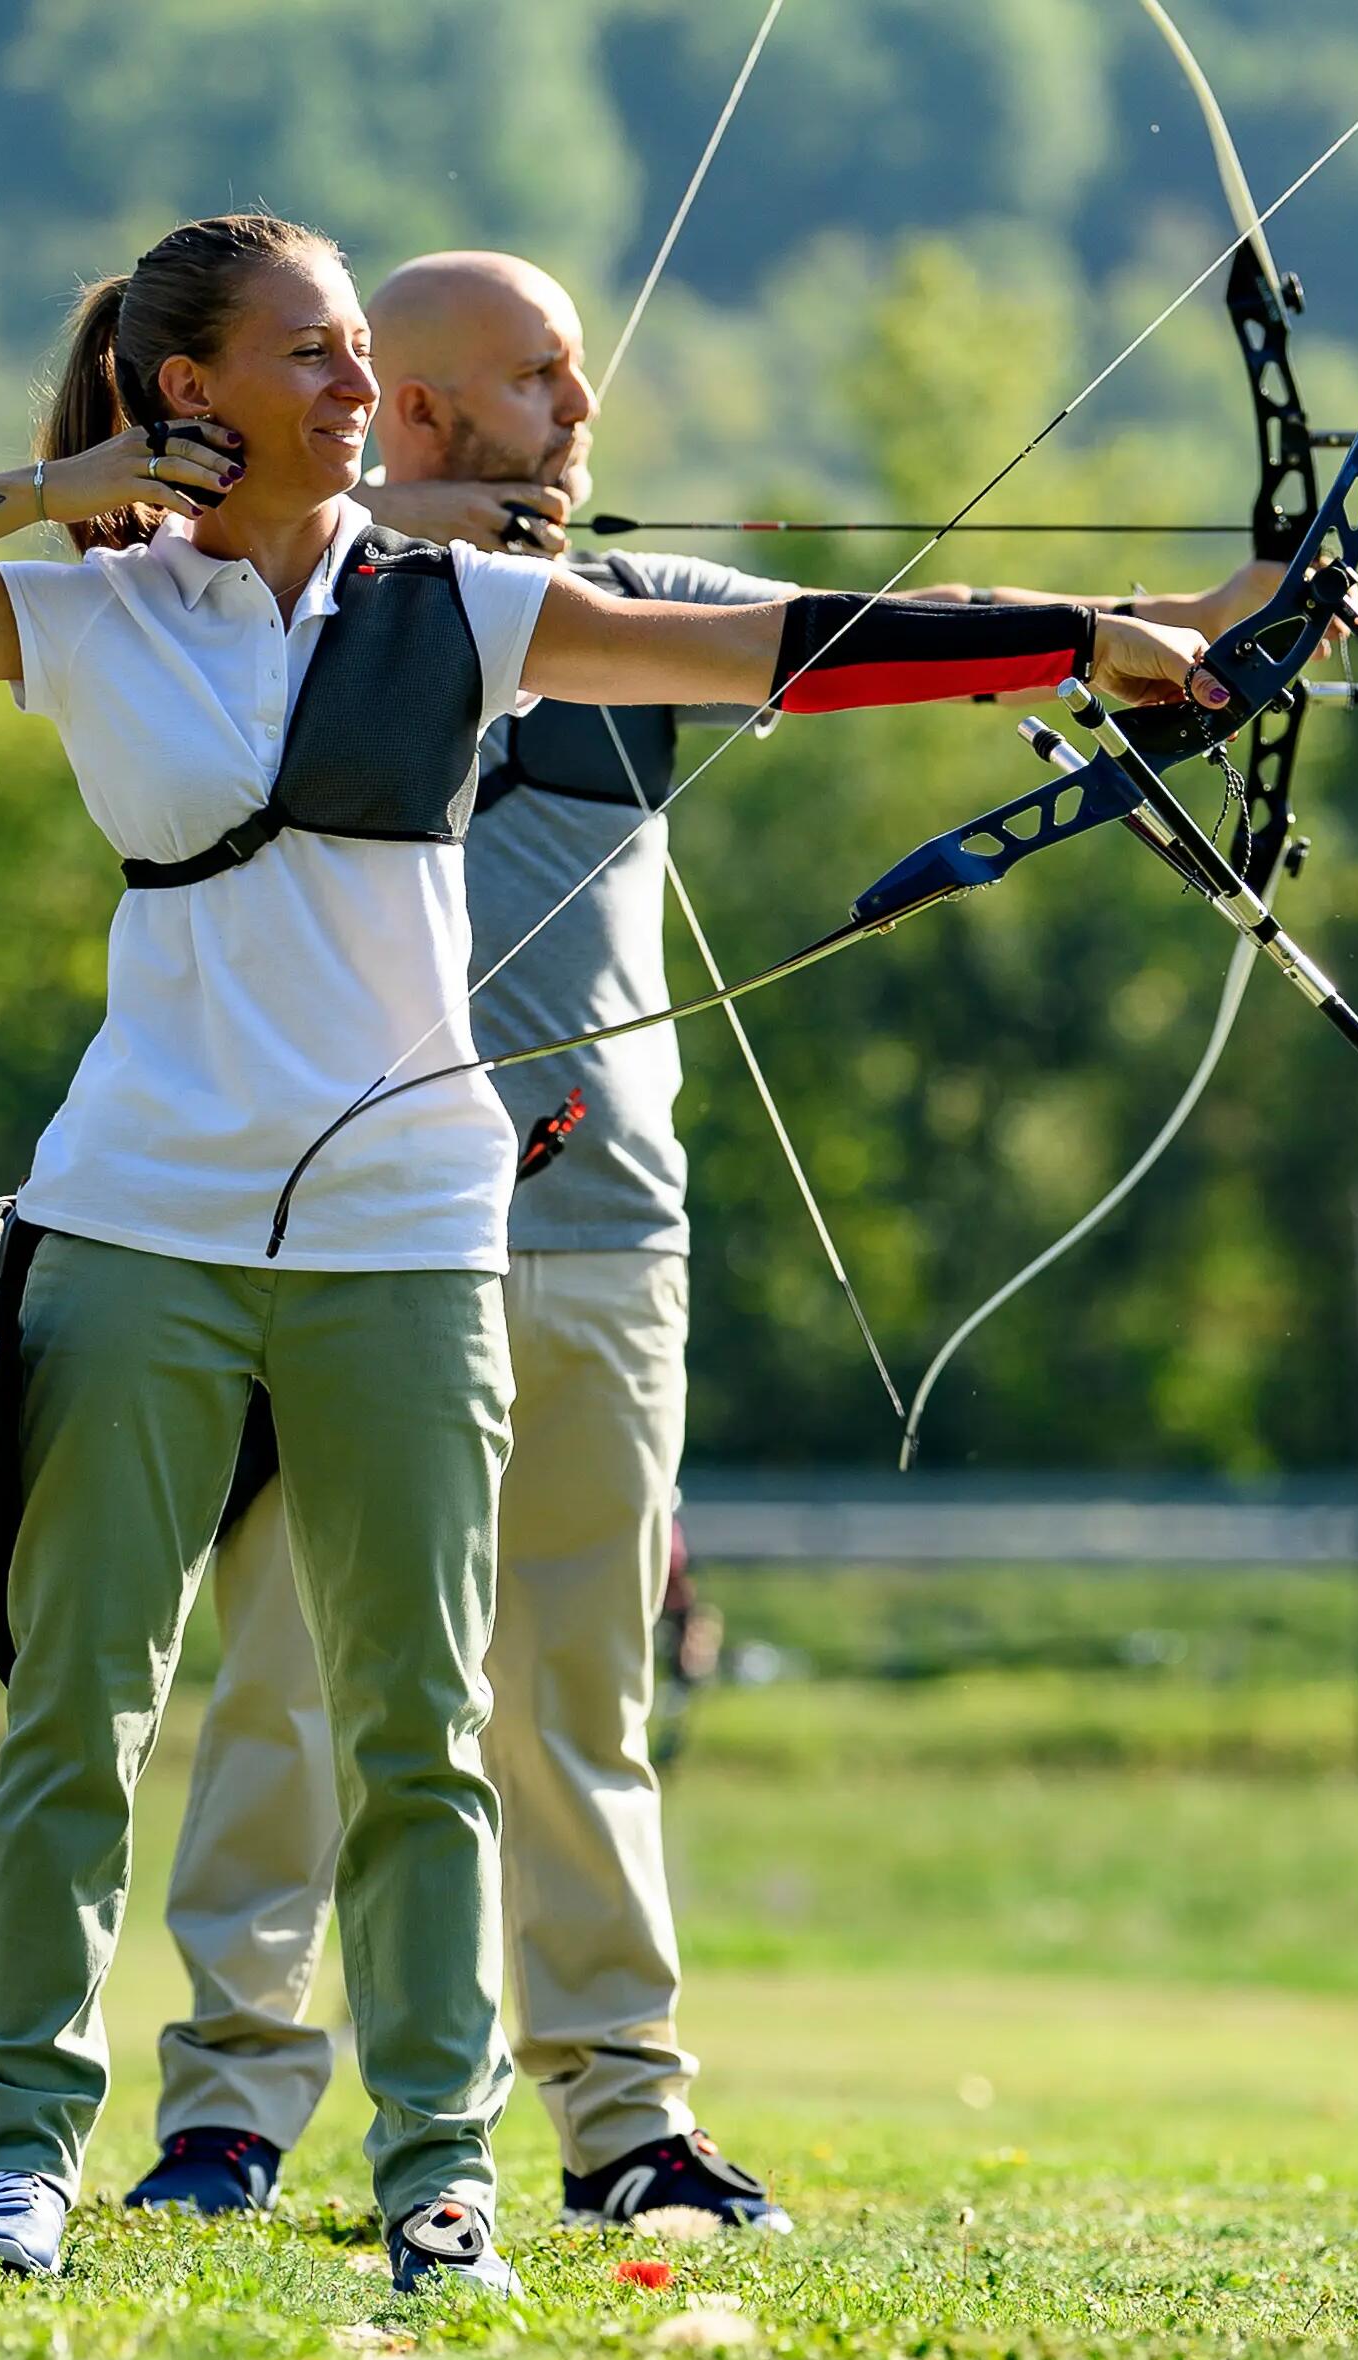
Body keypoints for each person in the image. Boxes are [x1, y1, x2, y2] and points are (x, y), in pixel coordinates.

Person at [0, 212, 1217, 2292]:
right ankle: (23, 2151)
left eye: (364, 354)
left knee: (422, 1720)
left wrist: (1075, 635)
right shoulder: (98, 617)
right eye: (313, 356)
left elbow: (774, 639)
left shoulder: (455, 607)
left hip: (410, 1230)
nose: (358, 390)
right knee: (82, 1708)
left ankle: (437, 2165)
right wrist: (65, 497)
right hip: (137, 1215)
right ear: (190, 394)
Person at [128, 249, 1280, 2241]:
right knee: (295, 1678)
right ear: (414, 412)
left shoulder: (622, 620)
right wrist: (393, 536)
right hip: (345, 1235)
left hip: (598, 1232)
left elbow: (857, 638)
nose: (582, 415)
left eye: (578, 378)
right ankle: (228, 2108)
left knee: (577, 1693)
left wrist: (1201, 621)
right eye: (538, 383)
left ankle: (619, 2122)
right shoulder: (253, 601)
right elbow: (160, 557)